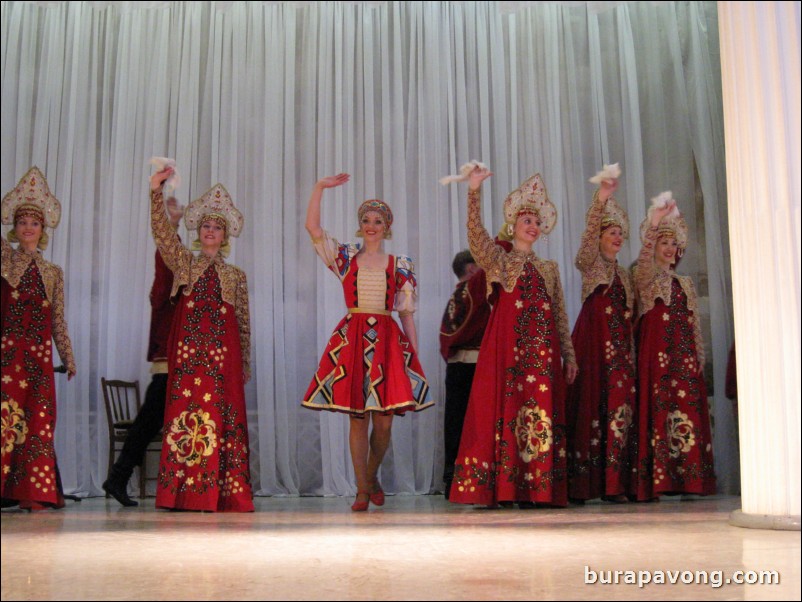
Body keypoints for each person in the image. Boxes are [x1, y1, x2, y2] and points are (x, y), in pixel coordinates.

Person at [302, 173, 434, 511]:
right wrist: (319, 188)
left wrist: (413, 354)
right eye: (366, 220)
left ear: (386, 227)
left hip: (389, 342)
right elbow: (314, 229)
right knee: (357, 416)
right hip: (354, 339)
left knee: (386, 422)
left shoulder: (401, 264)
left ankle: (370, 476)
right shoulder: (345, 258)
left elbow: (406, 314)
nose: (371, 225)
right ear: (360, 226)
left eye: (377, 221)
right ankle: (362, 488)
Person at [450, 166, 577, 508]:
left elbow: (561, 315)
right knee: (506, 410)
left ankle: (537, 488)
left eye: (536, 223)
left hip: (543, 356)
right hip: (508, 353)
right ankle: (504, 488)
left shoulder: (550, 269)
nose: (532, 227)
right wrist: (474, 190)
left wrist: (570, 355)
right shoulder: (499, 261)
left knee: (539, 414)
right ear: (514, 226)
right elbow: (476, 235)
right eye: (526, 222)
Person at [149, 167, 254, 512]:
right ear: (199, 231)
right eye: (206, 226)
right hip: (189, 357)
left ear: (226, 235)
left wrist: (245, 366)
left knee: (221, 418)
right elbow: (163, 235)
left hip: (223, 360)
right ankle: (182, 493)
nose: (210, 231)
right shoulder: (184, 264)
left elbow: (243, 324)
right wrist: (156, 193)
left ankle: (220, 493)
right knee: (186, 418)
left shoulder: (235, 276)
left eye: (217, 227)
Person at [1, 167, 76, 510]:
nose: (28, 228)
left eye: (34, 223)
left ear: (43, 229)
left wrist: (68, 356)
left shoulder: (53, 272)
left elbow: (57, 318)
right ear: (14, 230)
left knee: (37, 423)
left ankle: (31, 493)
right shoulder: (5, 260)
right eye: (22, 223)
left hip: (39, 359)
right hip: (8, 356)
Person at [102, 197, 184, 507]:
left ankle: (120, 477)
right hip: (169, 359)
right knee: (149, 421)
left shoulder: (181, 275)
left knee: (150, 422)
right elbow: (166, 252)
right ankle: (119, 477)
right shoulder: (168, 281)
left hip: (179, 358)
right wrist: (171, 223)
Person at [633, 195, 716, 500]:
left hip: (683, 356)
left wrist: (699, 356)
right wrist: (654, 223)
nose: (668, 248)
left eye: (672, 243)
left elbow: (693, 323)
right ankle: (659, 481)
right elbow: (642, 266)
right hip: (657, 357)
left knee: (688, 411)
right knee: (660, 410)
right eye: (662, 242)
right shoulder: (646, 277)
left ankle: (690, 481)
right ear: (653, 245)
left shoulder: (686, 283)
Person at [566, 175, 637, 503]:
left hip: (620, 348)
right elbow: (582, 252)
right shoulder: (591, 262)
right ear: (599, 237)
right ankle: (582, 483)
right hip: (593, 342)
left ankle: (613, 484)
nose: (618, 237)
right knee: (589, 403)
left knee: (618, 408)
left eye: (621, 233)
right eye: (612, 232)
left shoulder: (625, 274)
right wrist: (601, 200)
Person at [439, 250, 491, 500]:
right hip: (473, 366)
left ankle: (452, 482)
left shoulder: (456, 296)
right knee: (476, 425)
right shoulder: (473, 288)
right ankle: (474, 483)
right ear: (472, 270)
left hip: (455, 366)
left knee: (454, 424)